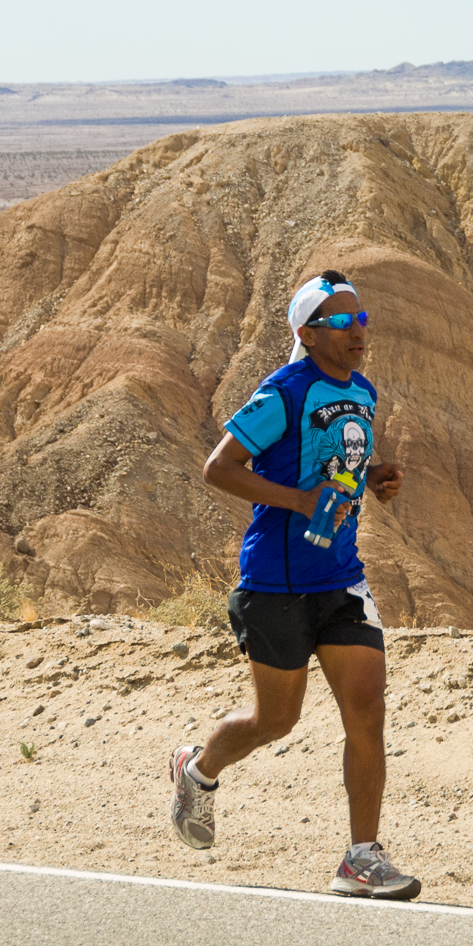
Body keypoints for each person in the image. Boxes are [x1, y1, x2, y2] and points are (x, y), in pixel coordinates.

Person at [170, 269, 419, 900]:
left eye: (362, 318)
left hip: (340, 578)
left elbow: (342, 468)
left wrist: (376, 480)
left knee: (367, 710)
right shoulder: (281, 392)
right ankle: (198, 769)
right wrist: (299, 502)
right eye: (343, 321)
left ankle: (361, 858)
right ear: (308, 334)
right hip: (275, 582)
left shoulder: (362, 392)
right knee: (275, 721)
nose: (359, 330)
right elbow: (218, 469)